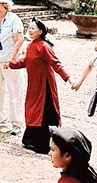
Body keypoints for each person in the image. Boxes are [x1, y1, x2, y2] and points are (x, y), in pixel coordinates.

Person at [6, 19, 72, 154]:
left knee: (44, 113)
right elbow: (27, 61)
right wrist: (12, 64)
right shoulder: (30, 46)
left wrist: (67, 77)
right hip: (33, 84)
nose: (30, 31)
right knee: (32, 110)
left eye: (33, 28)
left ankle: (43, 144)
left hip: (44, 85)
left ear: (40, 31)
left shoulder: (44, 46)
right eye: (29, 28)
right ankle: (31, 140)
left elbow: (55, 63)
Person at [0, 0, 25, 135]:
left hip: (10, 61)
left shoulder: (14, 19)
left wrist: (13, 58)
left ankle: (16, 122)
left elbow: (19, 40)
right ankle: (0, 117)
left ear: (6, 6)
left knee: (15, 91)